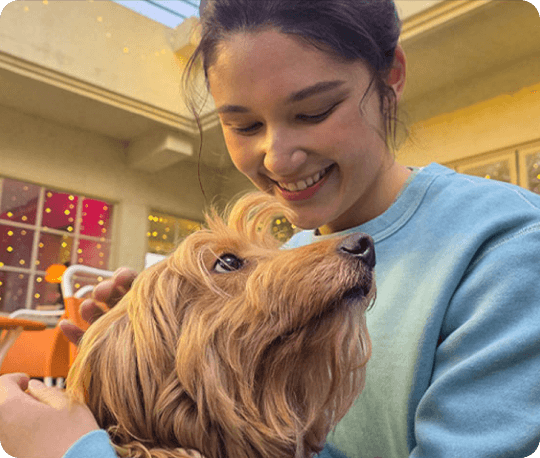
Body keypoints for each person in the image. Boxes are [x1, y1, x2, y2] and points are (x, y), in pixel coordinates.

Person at [1, 0, 539, 457]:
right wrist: (148, 363)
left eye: (314, 111)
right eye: (244, 125)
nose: (278, 158)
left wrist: (76, 451)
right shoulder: (292, 250)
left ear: (390, 76)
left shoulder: (506, 246)